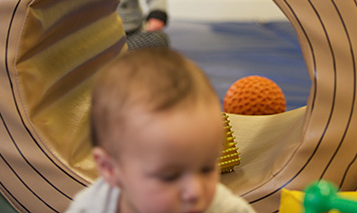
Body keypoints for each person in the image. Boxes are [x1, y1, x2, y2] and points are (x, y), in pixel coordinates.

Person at [64, 48, 255, 213]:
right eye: (170, 177)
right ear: (110, 169)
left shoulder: (226, 209)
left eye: (206, 169)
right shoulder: (91, 208)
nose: (195, 192)